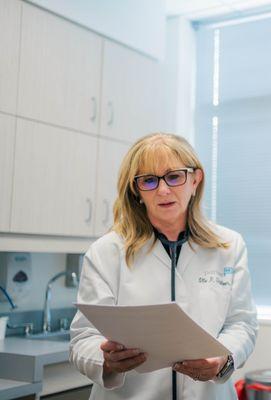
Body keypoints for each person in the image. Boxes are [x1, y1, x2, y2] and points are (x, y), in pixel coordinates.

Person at [70, 133, 258, 400]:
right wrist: (106, 360)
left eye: (174, 176)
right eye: (149, 180)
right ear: (136, 190)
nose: (163, 190)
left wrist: (222, 359)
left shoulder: (228, 246)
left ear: (195, 180)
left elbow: (243, 324)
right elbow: (82, 338)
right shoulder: (107, 252)